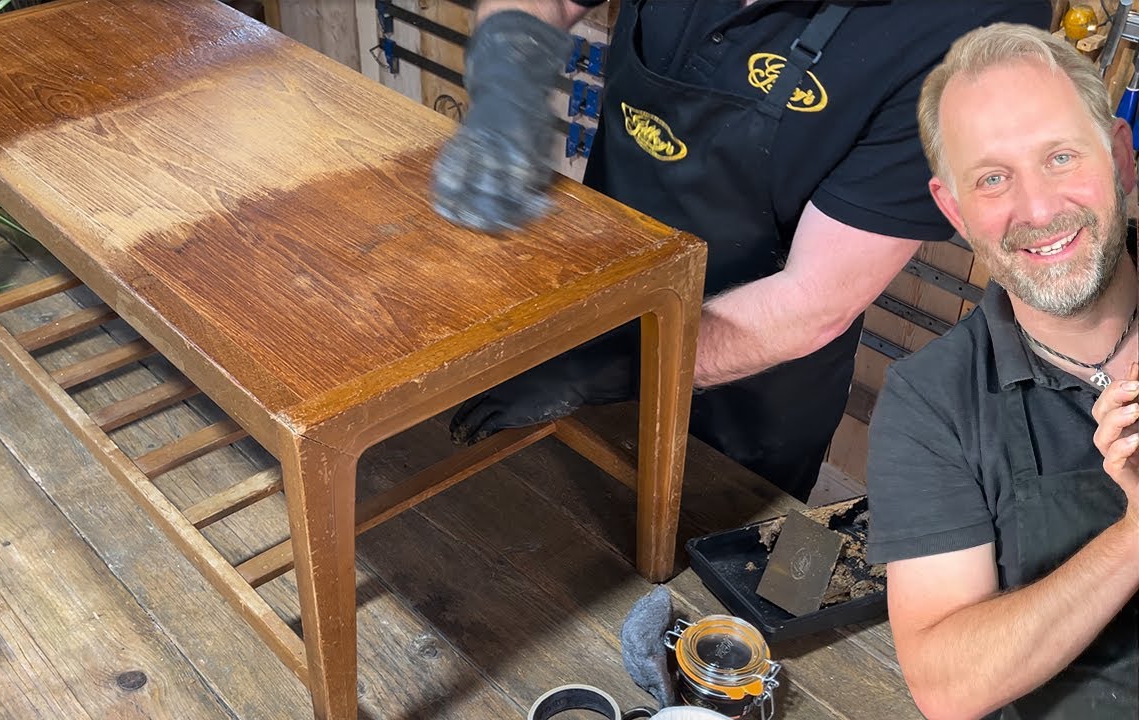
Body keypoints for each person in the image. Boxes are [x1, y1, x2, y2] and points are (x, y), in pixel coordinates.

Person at [431, 0, 1051, 501]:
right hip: (595, 297)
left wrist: (598, 371)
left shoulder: (968, 25)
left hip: (745, 394)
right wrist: (508, 78)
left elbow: (813, 302)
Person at [865, 23, 1139, 719]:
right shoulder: (932, 404)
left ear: (1120, 158)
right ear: (953, 209)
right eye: (992, 178)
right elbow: (947, 684)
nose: (1039, 209)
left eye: (1060, 157)